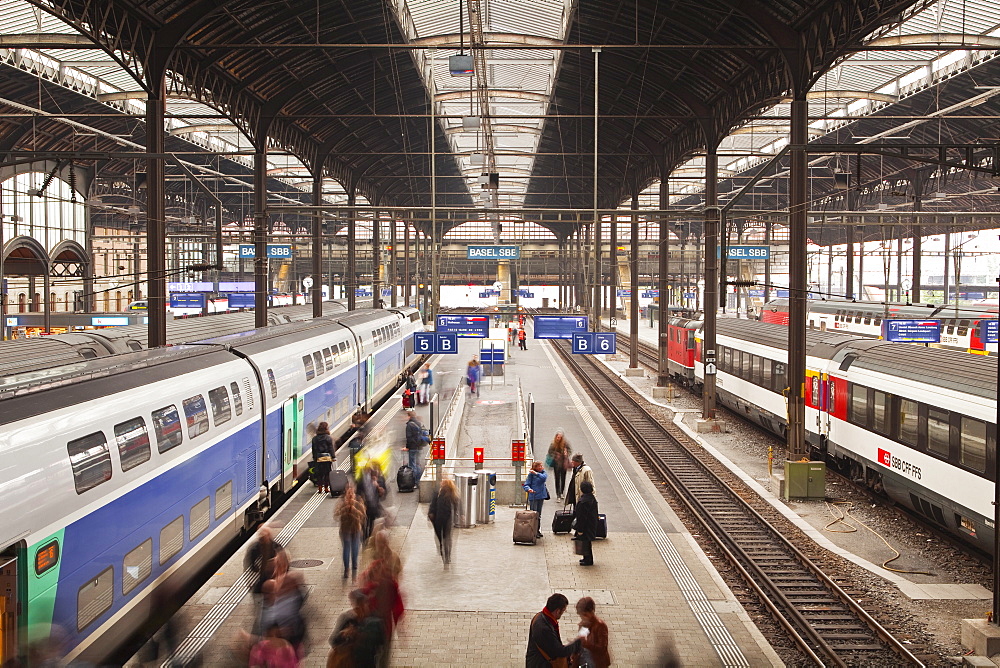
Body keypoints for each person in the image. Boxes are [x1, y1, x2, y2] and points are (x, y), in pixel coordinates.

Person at [328, 589, 385, 668]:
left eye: (364, 603)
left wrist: (359, 634)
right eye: (357, 605)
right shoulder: (346, 618)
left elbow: (380, 641)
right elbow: (333, 640)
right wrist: (343, 634)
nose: (360, 608)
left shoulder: (374, 621)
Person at [525, 593, 582, 668]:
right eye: (563, 611)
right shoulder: (544, 629)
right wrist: (578, 643)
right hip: (540, 664)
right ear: (558, 611)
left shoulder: (539, 616)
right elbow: (559, 651)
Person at [335, 485, 367, 581]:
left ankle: (354, 564)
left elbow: (363, 514)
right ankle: (347, 568)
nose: (350, 494)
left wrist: (353, 509)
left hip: (355, 528)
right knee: (347, 548)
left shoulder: (356, 501)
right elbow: (336, 514)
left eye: (351, 492)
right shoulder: (343, 502)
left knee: (354, 547)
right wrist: (346, 510)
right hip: (346, 529)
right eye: (349, 492)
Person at [427, 479, 460, 564]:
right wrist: (430, 513)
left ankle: (447, 556)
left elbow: (457, 504)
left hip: (447, 519)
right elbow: (433, 504)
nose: (441, 483)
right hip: (438, 519)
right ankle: (443, 552)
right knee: (441, 538)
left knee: (447, 538)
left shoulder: (451, 494)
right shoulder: (437, 492)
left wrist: (459, 514)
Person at [245, 525, 283, 597]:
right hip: (264, 576)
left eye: (264, 537)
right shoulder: (255, 548)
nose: (261, 539)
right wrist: (253, 566)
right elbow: (251, 561)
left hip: (274, 576)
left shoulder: (276, 546)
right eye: (261, 537)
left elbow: (284, 562)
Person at [574, 596, 611, 667]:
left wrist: (586, 644)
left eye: (585, 614)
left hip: (596, 663)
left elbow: (602, 648)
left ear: (591, 611)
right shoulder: (584, 623)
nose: (582, 617)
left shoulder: (600, 626)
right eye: (581, 615)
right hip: (584, 660)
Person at [573, 481, 599, 566]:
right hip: (592, 524)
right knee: (587, 542)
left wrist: (579, 529)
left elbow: (581, 517)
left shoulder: (583, 501)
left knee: (585, 542)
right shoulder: (592, 499)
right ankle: (587, 558)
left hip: (585, 526)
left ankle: (588, 559)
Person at [360, 463, 386, 539]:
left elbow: (383, 494)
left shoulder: (380, 479)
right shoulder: (362, 480)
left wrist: (378, 486)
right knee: (364, 525)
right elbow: (358, 491)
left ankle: (369, 538)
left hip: (373, 507)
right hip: (364, 506)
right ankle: (365, 538)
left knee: (372, 524)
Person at [524, 461, 549, 539]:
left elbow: (544, 478)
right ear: (536, 467)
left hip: (541, 496)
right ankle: (532, 531)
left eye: (541, 466)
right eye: (539, 466)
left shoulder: (542, 473)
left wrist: (536, 473)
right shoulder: (531, 475)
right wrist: (529, 489)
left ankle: (537, 530)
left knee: (538, 515)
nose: (541, 467)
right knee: (533, 514)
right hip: (534, 496)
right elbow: (526, 484)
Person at [546, 430, 573, 501]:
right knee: (557, 479)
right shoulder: (553, 444)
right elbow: (550, 452)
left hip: (563, 463)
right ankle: (558, 493)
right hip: (556, 464)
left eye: (560, 437)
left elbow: (570, 450)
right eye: (558, 437)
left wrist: (567, 453)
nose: (559, 439)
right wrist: (555, 455)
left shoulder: (565, 444)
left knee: (563, 478)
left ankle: (561, 492)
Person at [311, 422, 335, 494]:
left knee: (319, 474)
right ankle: (326, 488)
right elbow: (331, 448)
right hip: (327, 458)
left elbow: (314, 449)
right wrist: (333, 457)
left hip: (319, 458)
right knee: (327, 473)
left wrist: (315, 458)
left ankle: (320, 488)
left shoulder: (314, 439)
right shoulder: (328, 438)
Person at [404, 410, 428, 480]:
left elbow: (409, 437)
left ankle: (414, 481)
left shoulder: (409, 425)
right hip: (419, 447)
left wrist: (407, 447)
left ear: (409, 416)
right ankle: (418, 480)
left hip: (412, 447)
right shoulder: (418, 423)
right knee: (418, 464)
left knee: (412, 464)